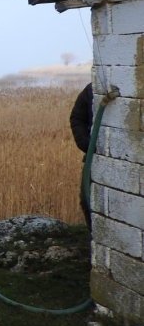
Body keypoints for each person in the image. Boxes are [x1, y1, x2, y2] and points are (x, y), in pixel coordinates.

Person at [69, 82, 94, 230]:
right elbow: (77, 117)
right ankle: (94, 236)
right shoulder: (93, 89)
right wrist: (87, 144)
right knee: (87, 199)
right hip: (93, 160)